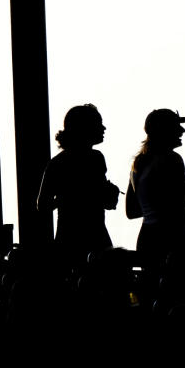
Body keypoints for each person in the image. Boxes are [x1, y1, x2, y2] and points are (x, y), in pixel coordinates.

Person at [36, 103, 119, 263]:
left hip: (68, 238)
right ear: (85, 128)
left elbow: (42, 205)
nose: (103, 128)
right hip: (94, 236)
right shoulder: (96, 158)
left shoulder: (58, 163)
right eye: (98, 123)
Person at [126, 108, 185, 265]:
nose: (182, 130)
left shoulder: (137, 166)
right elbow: (177, 207)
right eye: (176, 126)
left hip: (147, 239)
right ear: (164, 130)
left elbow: (132, 211)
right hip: (172, 239)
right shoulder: (172, 159)